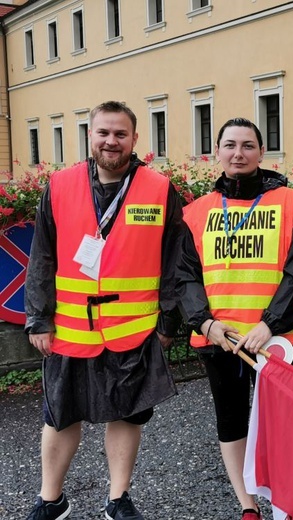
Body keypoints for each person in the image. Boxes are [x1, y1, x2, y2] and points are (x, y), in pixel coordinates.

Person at [24, 101, 185, 520]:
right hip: (69, 329)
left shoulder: (159, 189)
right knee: (60, 416)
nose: (111, 141)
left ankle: (118, 498)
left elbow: (175, 261)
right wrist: (38, 317)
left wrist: (168, 320)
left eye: (120, 134)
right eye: (103, 133)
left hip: (134, 327)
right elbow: (40, 257)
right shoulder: (59, 186)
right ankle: (51, 499)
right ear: (90, 136)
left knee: (127, 414)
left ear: (135, 139)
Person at [176, 117, 293, 520]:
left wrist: (268, 325)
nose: (238, 153)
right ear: (217, 152)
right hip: (221, 337)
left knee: (281, 425)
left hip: (276, 338)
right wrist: (205, 324)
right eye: (230, 145)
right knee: (232, 420)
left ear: (262, 152)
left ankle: (284, 502)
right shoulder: (195, 213)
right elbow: (185, 276)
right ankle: (248, 504)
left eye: (248, 145)